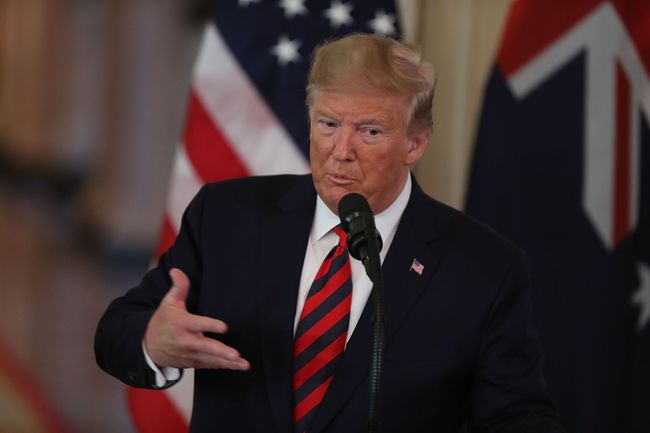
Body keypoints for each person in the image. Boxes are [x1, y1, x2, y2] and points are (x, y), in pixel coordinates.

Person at [95, 33, 566, 433]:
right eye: (328, 124)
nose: (341, 151)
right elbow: (117, 330)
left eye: (370, 132)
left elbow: (517, 414)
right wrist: (153, 342)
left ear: (415, 143)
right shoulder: (227, 217)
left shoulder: (482, 267)